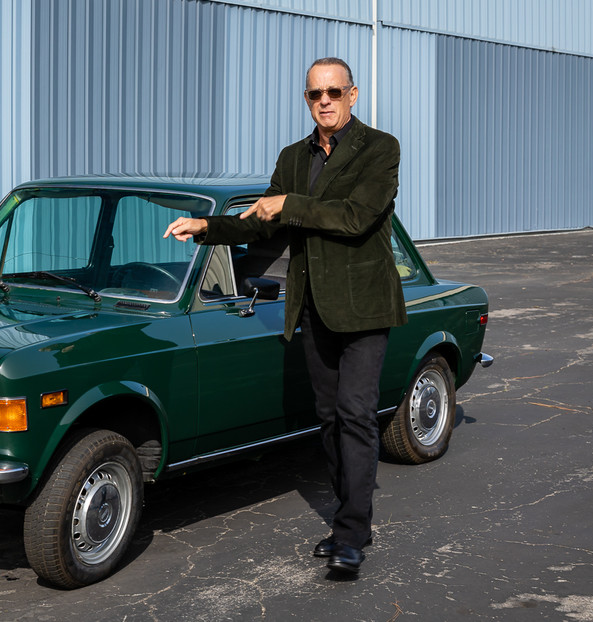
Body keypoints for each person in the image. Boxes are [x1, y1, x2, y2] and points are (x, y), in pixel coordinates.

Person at [163, 57, 406, 575]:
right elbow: (262, 225)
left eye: (334, 92)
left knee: (356, 415)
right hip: (313, 307)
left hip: (364, 308)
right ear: (307, 99)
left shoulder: (380, 149)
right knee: (329, 418)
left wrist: (288, 204)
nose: (325, 101)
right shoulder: (293, 157)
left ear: (352, 95)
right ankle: (349, 517)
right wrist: (206, 227)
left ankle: (351, 534)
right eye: (316, 94)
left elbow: (355, 218)